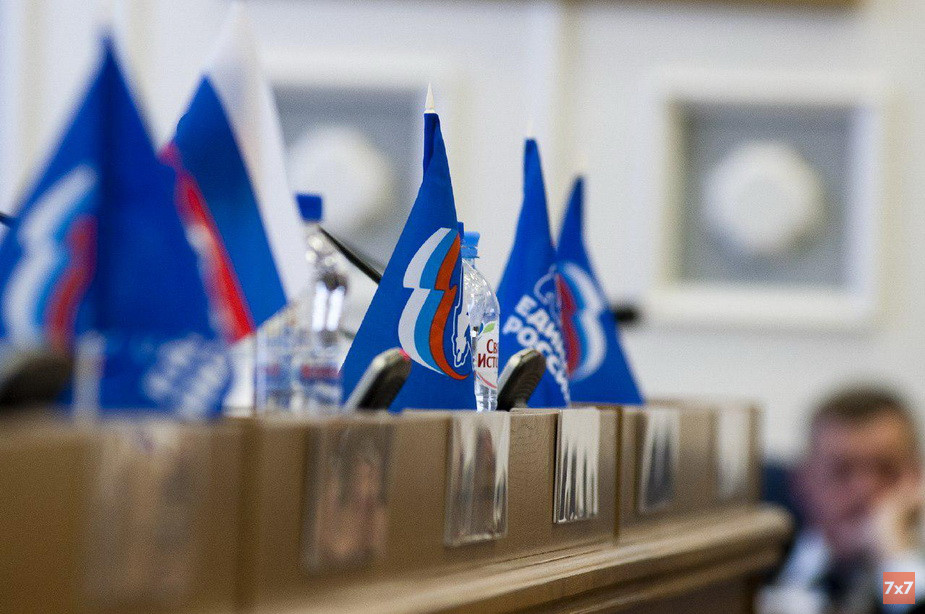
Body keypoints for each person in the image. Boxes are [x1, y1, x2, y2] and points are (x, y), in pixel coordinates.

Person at [760, 387, 925, 614]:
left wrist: (894, 552)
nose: (864, 489)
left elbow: (904, 604)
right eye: (841, 470)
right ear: (803, 480)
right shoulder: (761, 551)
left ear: (916, 477)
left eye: (887, 469)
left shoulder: (906, 564)